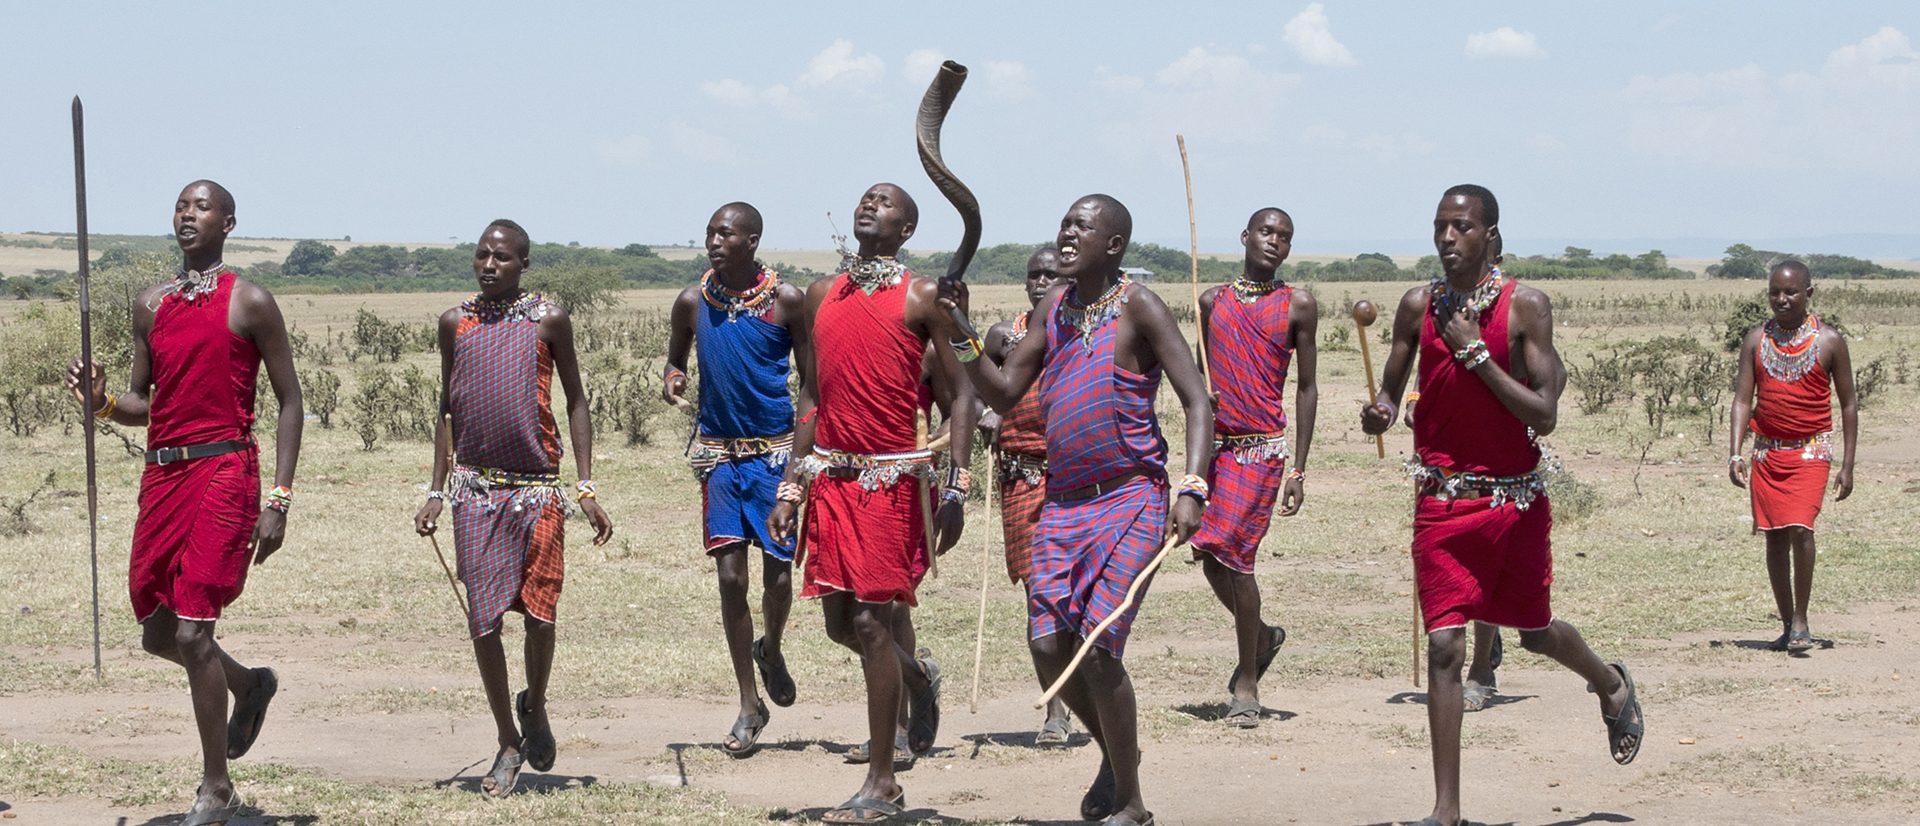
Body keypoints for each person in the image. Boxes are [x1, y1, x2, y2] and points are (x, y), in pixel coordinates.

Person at [1360, 185, 1643, 826]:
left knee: (1536, 632)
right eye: (1439, 226)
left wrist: (1477, 355)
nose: (1447, 237)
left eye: (1462, 226)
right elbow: (1392, 393)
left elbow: (1543, 414)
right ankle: (1446, 812)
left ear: (1491, 235)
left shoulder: (1525, 308)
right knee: (1444, 650)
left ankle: (1610, 683)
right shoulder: (1416, 305)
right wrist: (1379, 412)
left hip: (1514, 504)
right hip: (1441, 502)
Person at [945, 194, 1213, 826]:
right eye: (1064, 222)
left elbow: (1198, 400)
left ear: (1113, 245)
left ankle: (1130, 801)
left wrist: (1193, 486)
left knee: (1096, 648)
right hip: (1062, 504)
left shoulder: (1138, 306)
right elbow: (1005, 390)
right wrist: (957, 332)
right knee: (1046, 644)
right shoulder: (1053, 308)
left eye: (1082, 227)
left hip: (1131, 497)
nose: (1067, 234)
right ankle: (1119, 755)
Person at [67, 180, 304, 826]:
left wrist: (278, 499)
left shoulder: (250, 302)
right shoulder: (151, 306)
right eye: (179, 206)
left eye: (201, 207)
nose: (187, 215)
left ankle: (215, 787)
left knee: (195, 631)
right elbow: (147, 405)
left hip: (225, 472)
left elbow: (290, 402)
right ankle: (250, 684)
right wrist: (103, 403)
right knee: (157, 633)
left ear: (229, 222)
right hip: (162, 479)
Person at [766, 183, 972, 823]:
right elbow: (812, 396)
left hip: (889, 483)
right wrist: (792, 484)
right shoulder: (824, 295)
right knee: (836, 626)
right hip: (830, 481)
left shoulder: (923, 299)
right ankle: (916, 676)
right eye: (865, 198)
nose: (869, 205)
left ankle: (884, 782)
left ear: (906, 227)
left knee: (868, 625)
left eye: (885, 203)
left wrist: (957, 485)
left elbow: (963, 396)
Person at [414, 219, 614, 798]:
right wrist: (436, 488)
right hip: (475, 493)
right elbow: (446, 411)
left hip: (538, 489)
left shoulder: (548, 320)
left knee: (541, 615)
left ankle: (537, 704)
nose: (489, 265)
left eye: (502, 257)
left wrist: (586, 487)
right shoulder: (456, 323)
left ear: (524, 264)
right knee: (484, 620)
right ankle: (506, 738)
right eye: (481, 255)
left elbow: (576, 400)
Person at [664, 202, 809, 753]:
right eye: (709, 233)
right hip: (721, 459)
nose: (714, 241)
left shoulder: (786, 302)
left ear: (753, 240)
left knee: (776, 580)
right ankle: (749, 703)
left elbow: (811, 389)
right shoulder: (692, 301)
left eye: (725, 233)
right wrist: (675, 376)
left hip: (775, 457)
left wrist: (799, 465)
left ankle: (770, 646)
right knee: (730, 579)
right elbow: (675, 359)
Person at [1191, 207, 1318, 727]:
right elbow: (1196, 379)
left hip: (1262, 451)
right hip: (1216, 447)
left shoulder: (1298, 306)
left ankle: (1247, 682)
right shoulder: (1210, 301)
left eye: (1284, 237)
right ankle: (1262, 635)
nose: (1274, 242)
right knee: (1206, 553)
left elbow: (1307, 387)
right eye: (1266, 232)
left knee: (1237, 558)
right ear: (1245, 236)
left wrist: (1300, 469)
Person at [1728, 260, 1857, 653]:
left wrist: (1848, 465)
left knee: (1801, 528)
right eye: (1774, 293)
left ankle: (1801, 620)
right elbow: (1741, 400)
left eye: (1791, 292)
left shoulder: (1830, 341)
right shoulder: (1756, 340)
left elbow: (1849, 404)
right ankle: (1787, 625)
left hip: (1811, 450)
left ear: (1809, 294)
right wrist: (1734, 453)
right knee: (1774, 538)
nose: (1781, 300)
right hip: (1768, 453)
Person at [980, 247, 1072, 745]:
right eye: (1034, 275)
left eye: (1051, 275)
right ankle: (1055, 709)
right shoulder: (1003, 336)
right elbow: (976, 389)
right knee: (1040, 593)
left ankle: (1084, 692)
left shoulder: (1080, 333)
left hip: (1072, 482)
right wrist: (984, 412)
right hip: (1019, 480)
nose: (1041, 283)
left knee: (1072, 595)